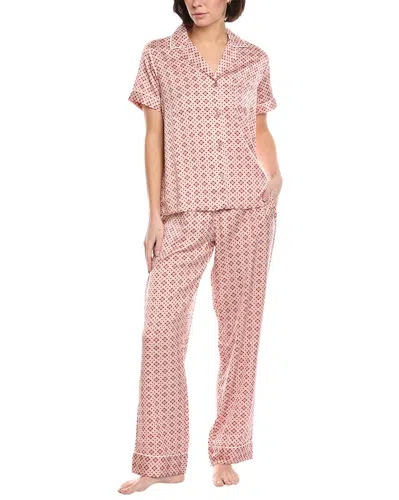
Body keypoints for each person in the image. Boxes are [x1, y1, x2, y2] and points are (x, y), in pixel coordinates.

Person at [118, 0, 282, 494]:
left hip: (247, 206)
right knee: (160, 330)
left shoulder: (254, 58)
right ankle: (162, 459)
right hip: (182, 210)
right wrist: (153, 216)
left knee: (239, 333)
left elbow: (260, 129)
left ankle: (227, 451)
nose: (198, 0)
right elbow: (153, 136)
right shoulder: (158, 55)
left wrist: (276, 176)